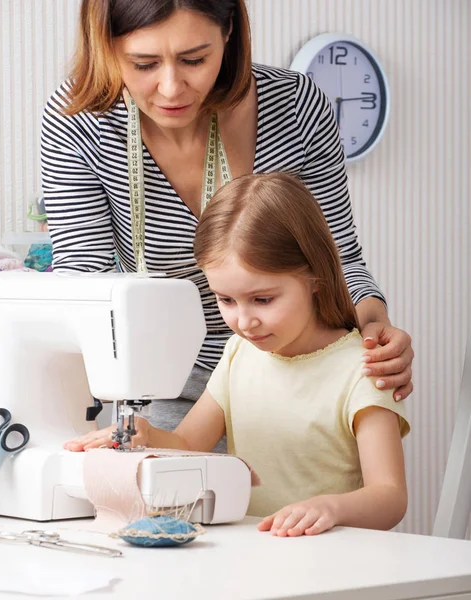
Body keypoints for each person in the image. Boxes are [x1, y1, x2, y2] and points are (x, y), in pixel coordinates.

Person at [41, 0, 414, 439]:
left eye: (195, 60)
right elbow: (85, 282)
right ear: (105, 46)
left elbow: (339, 260)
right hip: (168, 385)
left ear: (230, 32)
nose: (171, 88)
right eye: (143, 64)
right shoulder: (81, 122)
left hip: (296, 372)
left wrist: (374, 328)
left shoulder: (296, 108)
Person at [65, 173, 410, 537]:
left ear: (315, 278)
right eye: (226, 300)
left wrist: (331, 508)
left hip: (333, 562)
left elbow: (389, 497)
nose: (244, 321)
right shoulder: (238, 354)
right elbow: (187, 445)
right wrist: (146, 433)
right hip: (252, 553)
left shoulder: (364, 368)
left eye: (263, 299)